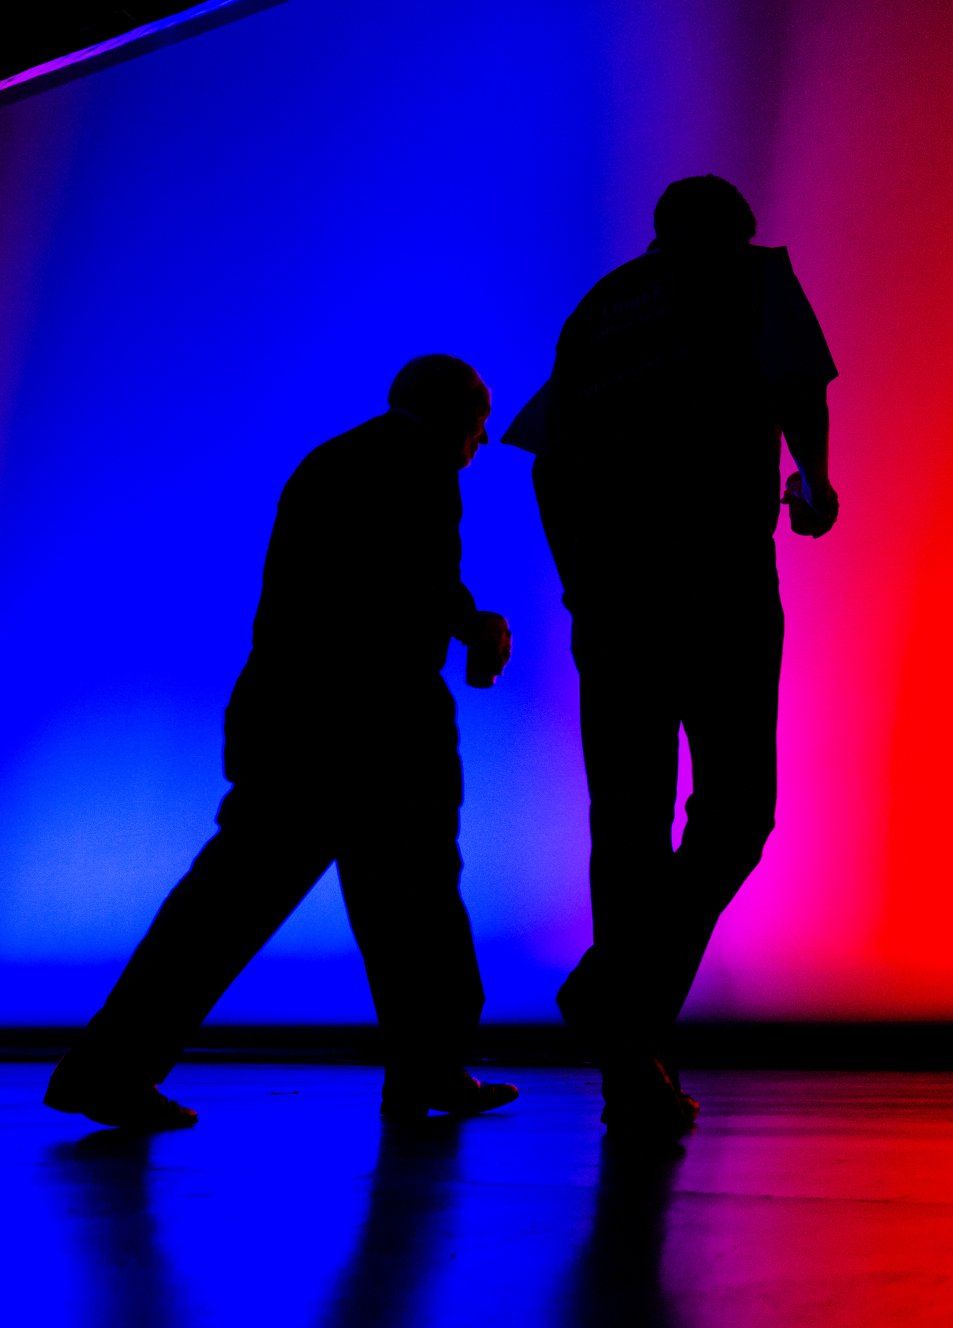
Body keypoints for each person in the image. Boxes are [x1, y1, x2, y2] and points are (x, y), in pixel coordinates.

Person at [45, 355, 518, 1129]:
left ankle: (110, 1068)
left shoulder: (333, 460)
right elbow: (413, 583)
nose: (484, 437)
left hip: (294, 718)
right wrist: (474, 627)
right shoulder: (421, 465)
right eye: (480, 417)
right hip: (376, 728)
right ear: (455, 414)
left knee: (226, 907)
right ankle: (429, 1065)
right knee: (414, 902)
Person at [527, 175, 839, 1136]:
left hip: (615, 601)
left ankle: (627, 1054)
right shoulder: (755, 278)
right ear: (738, 230)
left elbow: (549, 460)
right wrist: (815, 479)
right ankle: (617, 999)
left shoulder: (603, 306)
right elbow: (798, 385)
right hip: (719, 580)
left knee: (626, 823)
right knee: (737, 809)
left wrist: (581, 583)